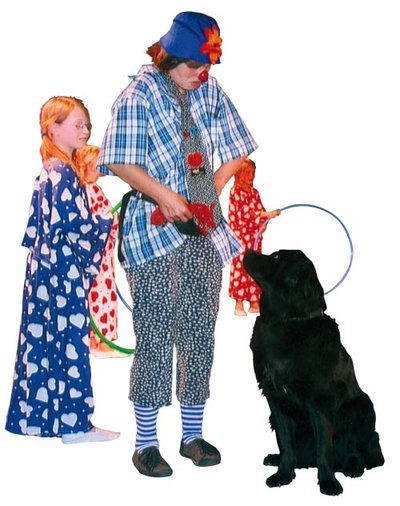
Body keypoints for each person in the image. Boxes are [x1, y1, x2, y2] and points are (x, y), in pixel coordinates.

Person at [98, 11, 258, 477]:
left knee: (199, 330)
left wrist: (213, 187)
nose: (200, 75)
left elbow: (238, 146)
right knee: (155, 333)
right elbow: (119, 161)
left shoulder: (209, 90)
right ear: (168, 58)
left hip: (203, 232)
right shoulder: (138, 95)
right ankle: (146, 443)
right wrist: (165, 196)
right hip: (152, 233)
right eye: (193, 66)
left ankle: (192, 435)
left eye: (206, 67)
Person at [5, 96, 120, 444]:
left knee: (46, 342)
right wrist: (105, 221)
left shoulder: (50, 169)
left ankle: (47, 419)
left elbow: (38, 229)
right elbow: (74, 227)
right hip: (62, 272)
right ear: (52, 129)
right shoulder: (64, 173)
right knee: (70, 341)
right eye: (77, 125)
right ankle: (75, 425)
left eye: (87, 124)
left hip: (44, 272)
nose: (85, 131)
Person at [75, 144, 125, 358]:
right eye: (98, 162)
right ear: (88, 165)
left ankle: (94, 341)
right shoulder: (91, 190)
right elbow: (102, 221)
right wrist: (118, 219)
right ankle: (102, 343)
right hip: (99, 257)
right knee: (102, 294)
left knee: (94, 295)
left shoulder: (82, 190)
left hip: (92, 256)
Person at [228, 158, 280, 316]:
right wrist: (267, 214)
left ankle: (254, 300)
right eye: (247, 172)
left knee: (255, 266)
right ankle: (239, 302)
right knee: (241, 266)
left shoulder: (254, 193)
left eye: (253, 172)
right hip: (240, 239)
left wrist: (265, 222)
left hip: (254, 238)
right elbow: (245, 214)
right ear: (239, 174)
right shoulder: (235, 192)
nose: (251, 175)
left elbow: (260, 211)